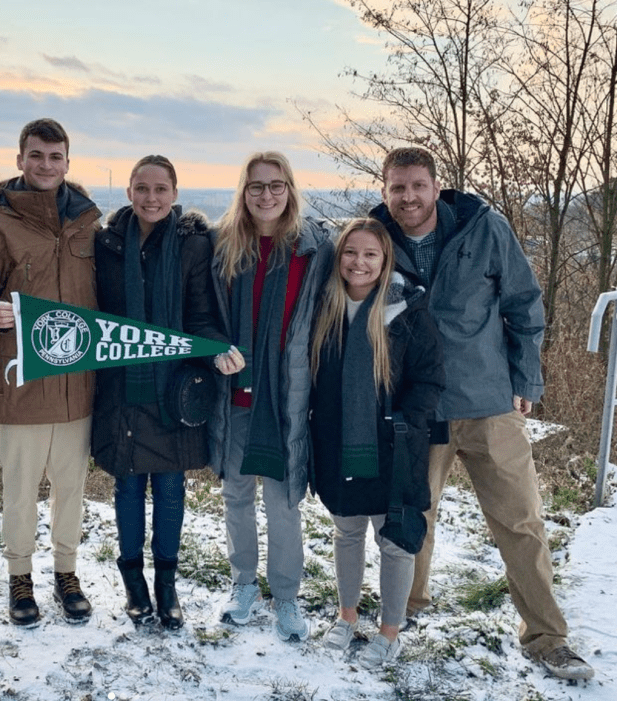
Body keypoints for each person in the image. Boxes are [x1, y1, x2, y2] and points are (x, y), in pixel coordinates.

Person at [370, 146, 595, 681]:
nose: (408, 197)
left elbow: (524, 303)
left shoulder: (483, 227)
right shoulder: (371, 237)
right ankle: (405, 614)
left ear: (435, 186)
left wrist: (527, 379)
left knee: (520, 521)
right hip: (416, 406)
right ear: (384, 190)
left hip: (489, 400)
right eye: (398, 187)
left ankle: (546, 637)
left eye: (417, 186)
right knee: (410, 518)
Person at [0, 118, 100, 626]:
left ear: (67, 162)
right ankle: (19, 576)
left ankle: (67, 572)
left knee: (71, 490)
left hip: (77, 388)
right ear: (20, 160)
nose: (45, 165)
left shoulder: (87, 224)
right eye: (36, 155)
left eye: (55, 157)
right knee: (19, 493)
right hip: (20, 385)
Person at [92, 155, 243, 629]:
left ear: (175, 193)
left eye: (160, 189)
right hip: (122, 383)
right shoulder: (108, 244)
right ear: (129, 192)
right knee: (129, 485)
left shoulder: (193, 247)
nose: (151, 198)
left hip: (175, 385)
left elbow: (200, 314)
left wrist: (215, 350)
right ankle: (133, 581)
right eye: (142, 188)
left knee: (172, 488)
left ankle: (166, 583)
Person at [309, 218, 444, 668]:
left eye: (370, 254)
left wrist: (404, 420)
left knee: (394, 539)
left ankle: (390, 632)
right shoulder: (324, 306)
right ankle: (346, 617)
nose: (359, 262)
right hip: (337, 440)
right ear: (338, 257)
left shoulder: (407, 309)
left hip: (394, 443)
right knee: (347, 531)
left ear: (385, 260)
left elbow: (429, 378)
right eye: (350, 253)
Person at [209, 151, 332, 640]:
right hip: (235, 394)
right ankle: (242, 583)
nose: (267, 195)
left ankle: (285, 595)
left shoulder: (314, 248)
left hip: (287, 398)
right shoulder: (223, 247)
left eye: (276, 185)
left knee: (283, 504)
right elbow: (209, 319)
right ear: (243, 192)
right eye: (256, 186)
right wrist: (214, 353)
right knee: (236, 497)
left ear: (290, 190)